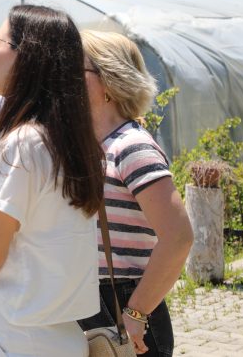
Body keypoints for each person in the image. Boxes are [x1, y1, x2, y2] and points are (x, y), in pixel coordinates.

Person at [0, 5, 106, 356]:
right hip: (63, 334)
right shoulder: (75, 143)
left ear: (28, 57)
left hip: (17, 335)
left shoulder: (23, 144)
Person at [77, 30, 193, 356]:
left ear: (108, 83)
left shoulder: (132, 147)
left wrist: (137, 311)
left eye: (76, 69)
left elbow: (179, 236)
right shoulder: (95, 147)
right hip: (90, 300)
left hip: (124, 302)